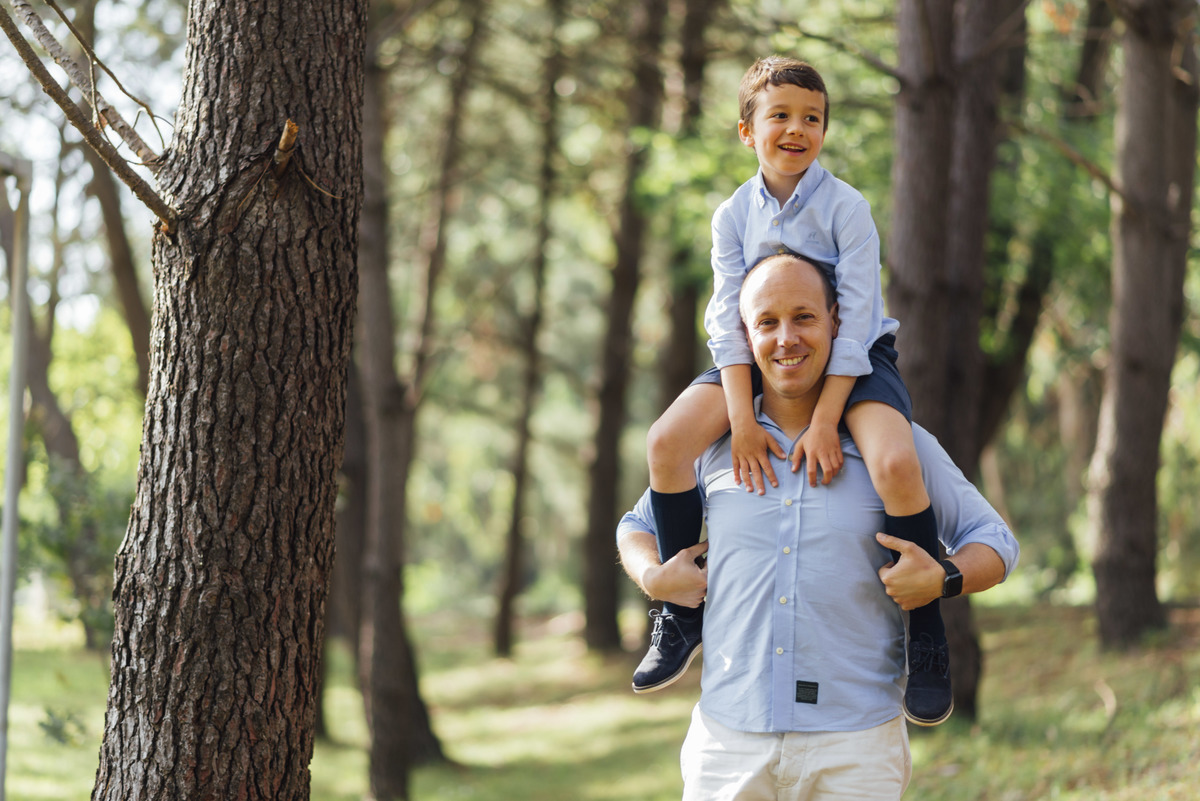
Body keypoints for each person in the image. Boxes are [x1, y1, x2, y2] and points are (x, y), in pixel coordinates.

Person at [619, 253, 1019, 800]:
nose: (787, 338)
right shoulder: (712, 445)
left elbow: (996, 543)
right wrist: (654, 577)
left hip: (855, 748)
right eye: (767, 322)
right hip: (728, 743)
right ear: (744, 334)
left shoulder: (893, 446)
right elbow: (636, 525)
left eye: (804, 317)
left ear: (837, 321)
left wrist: (943, 578)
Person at [637, 56, 949, 726]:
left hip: (856, 358)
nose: (797, 128)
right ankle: (679, 607)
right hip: (754, 358)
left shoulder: (846, 207)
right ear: (748, 131)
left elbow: (859, 317)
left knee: (895, 462)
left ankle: (927, 634)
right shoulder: (731, 216)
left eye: (812, 117)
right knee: (665, 442)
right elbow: (726, 319)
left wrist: (826, 418)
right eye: (780, 115)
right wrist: (742, 420)